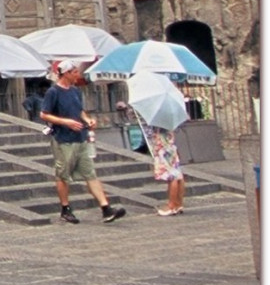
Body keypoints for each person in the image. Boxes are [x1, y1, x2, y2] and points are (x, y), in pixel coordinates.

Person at [38, 60, 126, 224]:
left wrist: (87, 119)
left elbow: (79, 110)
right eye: (75, 72)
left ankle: (106, 208)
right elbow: (44, 114)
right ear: (66, 73)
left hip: (80, 138)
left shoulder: (75, 91)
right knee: (63, 175)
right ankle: (65, 208)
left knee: (90, 173)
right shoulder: (53, 92)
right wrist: (65, 122)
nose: (78, 75)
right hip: (63, 139)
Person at [115, 98, 187, 217]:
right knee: (178, 175)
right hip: (170, 145)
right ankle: (178, 204)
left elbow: (144, 124)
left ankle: (171, 205)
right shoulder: (170, 114)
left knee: (171, 177)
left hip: (162, 147)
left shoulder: (156, 114)